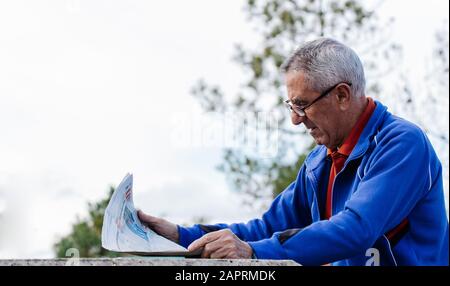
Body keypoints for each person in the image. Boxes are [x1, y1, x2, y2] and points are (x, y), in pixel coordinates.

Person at [138, 38, 449, 266]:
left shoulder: (402, 144)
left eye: (302, 105)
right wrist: (179, 235)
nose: (295, 119)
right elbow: (266, 227)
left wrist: (254, 252)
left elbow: (356, 228)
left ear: (342, 95)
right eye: (291, 105)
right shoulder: (318, 162)